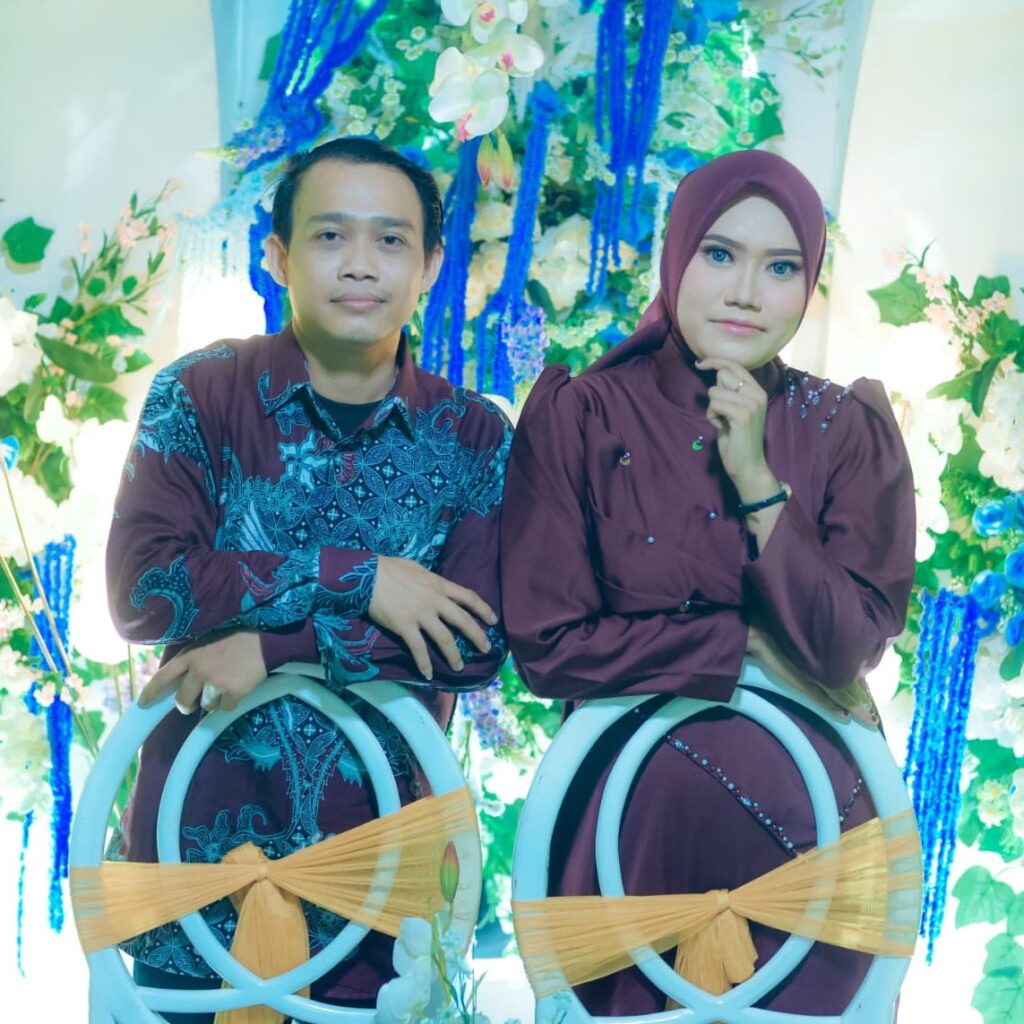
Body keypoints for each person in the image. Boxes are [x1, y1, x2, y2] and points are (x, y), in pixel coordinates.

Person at [501, 149, 916, 1015]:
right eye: (720, 254)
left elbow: (846, 648)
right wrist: (739, 640)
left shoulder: (845, 429)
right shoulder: (582, 416)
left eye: (781, 268)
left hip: (819, 845)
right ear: (677, 254)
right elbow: (548, 646)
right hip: (628, 841)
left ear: (809, 284)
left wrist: (758, 480)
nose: (745, 292)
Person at [106, 137, 511, 1020]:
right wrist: (358, 579)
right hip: (197, 851)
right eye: (330, 236)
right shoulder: (201, 394)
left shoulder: (473, 435)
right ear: (278, 255)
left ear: (431, 265)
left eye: (391, 240)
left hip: (384, 870)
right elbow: (145, 590)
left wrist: (276, 645)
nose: (361, 264)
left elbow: (476, 643)